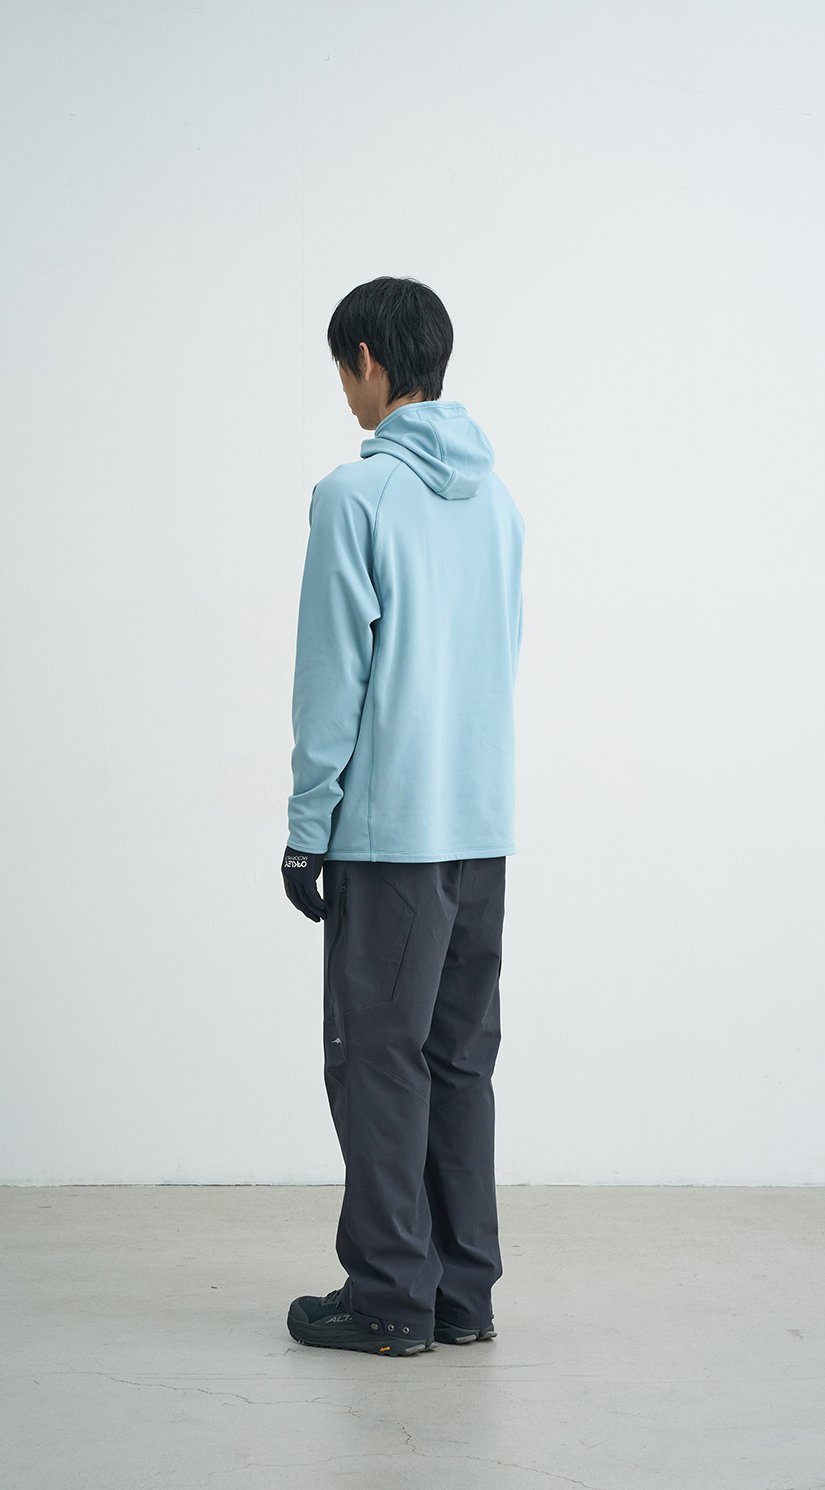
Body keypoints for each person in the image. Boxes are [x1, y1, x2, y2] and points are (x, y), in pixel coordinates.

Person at [281, 276, 525, 1357]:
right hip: (481, 827)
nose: (345, 392)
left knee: (378, 1059)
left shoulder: (356, 495)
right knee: (458, 1061)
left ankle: (387, 1294)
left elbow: (332, 678)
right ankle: (461, 1293)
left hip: (391, 839)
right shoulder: (498, 501)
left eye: (344, 370)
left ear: (370, 360)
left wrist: (308, 828)